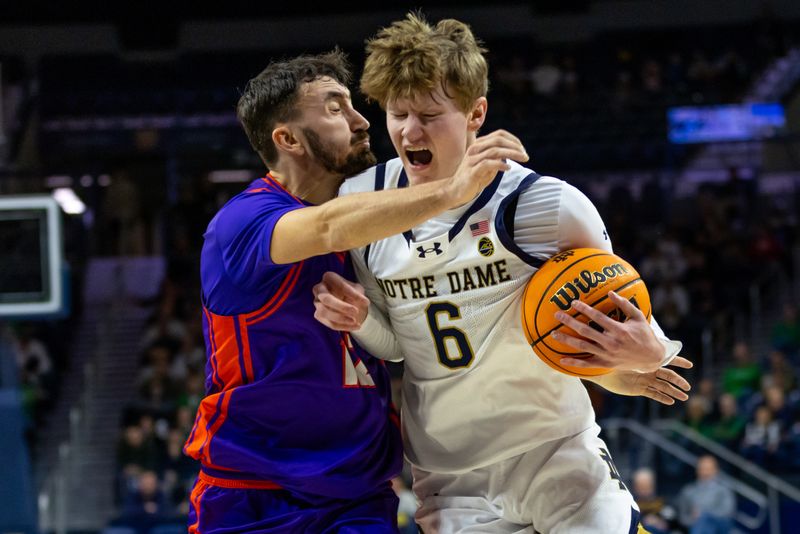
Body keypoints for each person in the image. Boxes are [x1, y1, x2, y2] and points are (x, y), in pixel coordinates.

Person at [313, 14, 692, 533]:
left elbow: (615, 334)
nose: (409, 130)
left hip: (557, 451)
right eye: (397, 114)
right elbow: (398, 348)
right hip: (448, 476)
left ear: (476, 113)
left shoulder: (545, 204)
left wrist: (650, 352)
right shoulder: (363, 203)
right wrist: (359, 319)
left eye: (429, 114)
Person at [182, 49, 528, 533]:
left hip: (359, 493)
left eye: (352, 104)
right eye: (334, 109)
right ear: (287, 139)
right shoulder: (241, 224)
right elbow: (326, 229)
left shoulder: (384, 224)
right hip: (257, 492)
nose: (361, 121)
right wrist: (452, 190)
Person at [677, 455, 736, 533]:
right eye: (702, 469)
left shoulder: (724, 488)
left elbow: (727, 512)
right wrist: (693, 518)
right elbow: (682, 518)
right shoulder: (688, 491)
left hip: (720, 525)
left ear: (716, 470)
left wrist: (703, 513)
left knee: (705, 518)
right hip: (696, 525)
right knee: (702, 522)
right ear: (697, 470)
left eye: (708, 469)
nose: (705, 472)